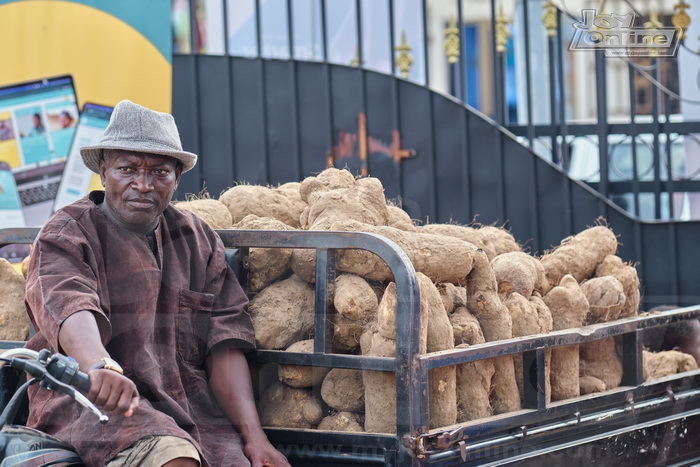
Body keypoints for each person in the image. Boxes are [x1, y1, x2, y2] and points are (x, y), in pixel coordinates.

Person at [24, 100, 290, 467]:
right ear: (103, 171)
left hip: (188, 412)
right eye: (127, 169)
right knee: (173, 457)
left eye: (159, 172)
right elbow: (70, 305)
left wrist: (255, 438)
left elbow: (224, 343)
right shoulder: (68, 232)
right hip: (88, 403)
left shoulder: (198, 239)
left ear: (177, 178)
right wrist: (99, 365)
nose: (143, 185)